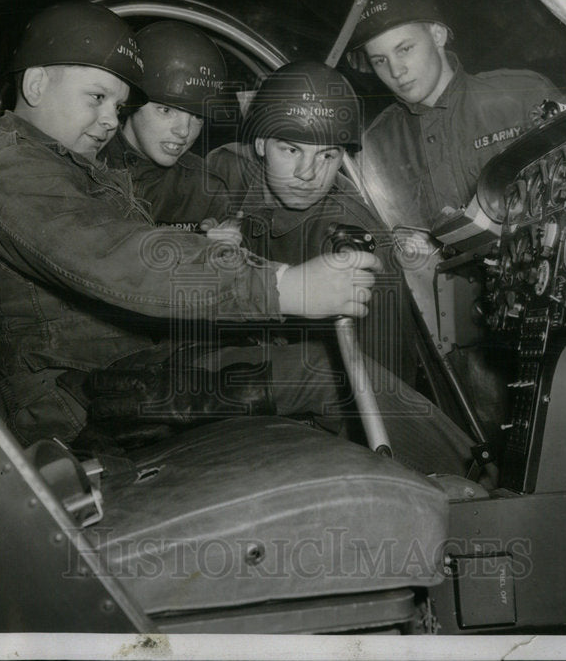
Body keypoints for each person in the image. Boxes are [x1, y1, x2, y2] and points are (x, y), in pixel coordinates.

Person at [0, 1, 379, 447]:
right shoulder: (14, 175)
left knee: (309, 368)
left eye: (118, 104)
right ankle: (441, 490)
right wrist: (284, 286)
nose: (112, 118)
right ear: (36, 84)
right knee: (325, 376)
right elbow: (118, 257)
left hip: (126, 373)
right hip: (80, 407)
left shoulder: (62, 165)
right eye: (97, 97)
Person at [193, 61, 477, 475]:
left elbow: (380, 397)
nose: (308, 175)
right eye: (291, 150)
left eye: (327, 155)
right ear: (259, 146)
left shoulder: (355, 242)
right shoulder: (233, 181)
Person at [349, 0, 564, 230]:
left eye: (404, 49)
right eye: (380, 60)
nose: (396, 71)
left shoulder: (521, 95)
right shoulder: (376, 147)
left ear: (437, 35)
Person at [101, 20, 228, 228]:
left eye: (197, 117)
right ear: (131, 101)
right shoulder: (87, 162)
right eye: (166, 110)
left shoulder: (206, 190)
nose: (184, 131)